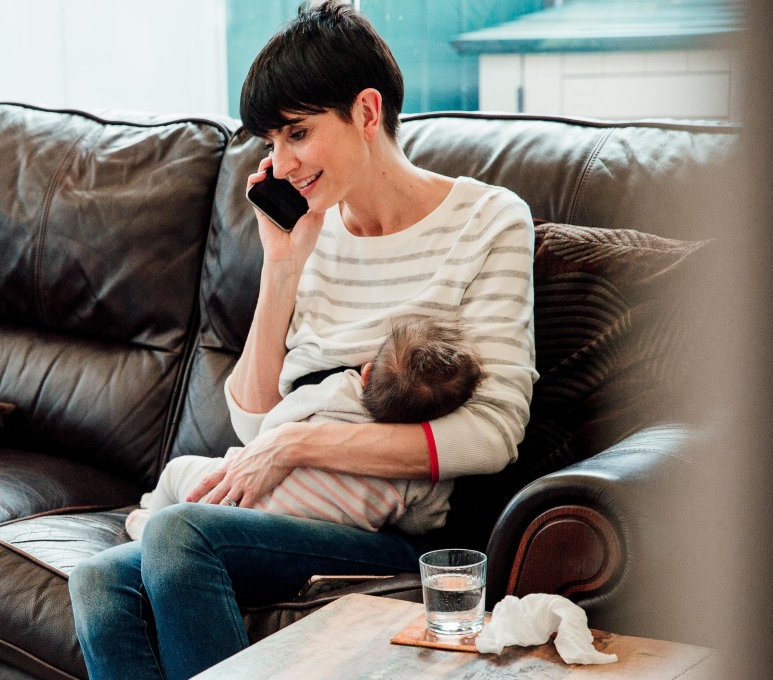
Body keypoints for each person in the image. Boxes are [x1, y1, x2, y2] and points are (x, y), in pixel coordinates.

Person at [68, 3, 537, 679]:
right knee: (99, 582)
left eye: (297, 133)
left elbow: (493, 435)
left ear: (367, 113)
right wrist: (283, 267)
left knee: (178, 530)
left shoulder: (490, 220)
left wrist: (299, 443)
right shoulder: (312, 232)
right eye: (269, 141)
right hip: (287, 510)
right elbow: (254, 421)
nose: (279, 163)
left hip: (389, 530)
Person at [125, 317, 482, 539]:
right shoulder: (421, 471)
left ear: (368, 372)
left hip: (244, 499)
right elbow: (426, 522)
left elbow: (269, 431)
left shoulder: (336, 393)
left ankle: (149, 523)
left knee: (176, 472)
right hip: (320, 535)